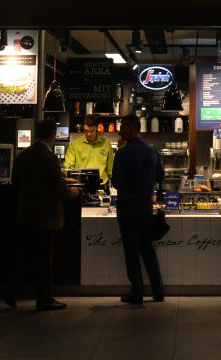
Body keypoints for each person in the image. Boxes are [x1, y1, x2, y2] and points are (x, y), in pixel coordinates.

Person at [0, 118, 77, 311]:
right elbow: (59, 188)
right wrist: (73, 193)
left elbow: (15, 183)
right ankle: (44, 298)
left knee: (27, 254)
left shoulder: (23, 155)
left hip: (27, 213)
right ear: (53, 135)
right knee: (44, 260)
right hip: (47, 215)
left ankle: (10, 288)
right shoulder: (49, 157)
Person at [111, 114, 165, 304]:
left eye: (123, 127)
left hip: (127, 207)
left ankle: (137, 292)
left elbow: (116, 182)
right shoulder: (152, 151)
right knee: (147, 249)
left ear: (133, 129)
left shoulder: (122, 154)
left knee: (131, 251)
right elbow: (161, 175)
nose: (120, 131)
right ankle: (158, 291)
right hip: (145, 207)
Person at [64, 114, 114, 186]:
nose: (89, 134)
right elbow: (68, 166)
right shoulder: (75, 144)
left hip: (101, 185)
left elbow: (111, 168)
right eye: (86, 131)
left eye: (92, 131)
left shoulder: (106, 144)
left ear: (97, 128)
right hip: (81, 184)